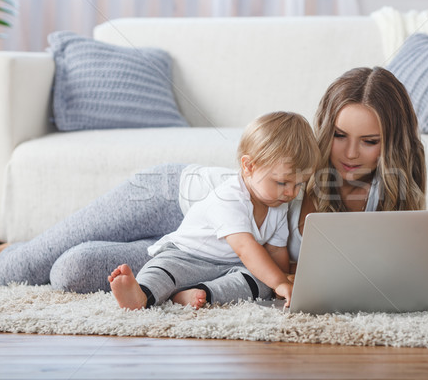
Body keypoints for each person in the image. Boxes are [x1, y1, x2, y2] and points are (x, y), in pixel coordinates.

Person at [0, 67, 426, 306]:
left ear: (393, 144)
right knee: (17, 271)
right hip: (172, 197)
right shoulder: (303, 168)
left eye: (369, 142)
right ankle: (21, 248)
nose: (350, 153)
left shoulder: (385, 198)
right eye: (339, 136)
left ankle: (53, 247)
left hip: (203, 252)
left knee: (72, 271)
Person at [109, 111, 319, 310]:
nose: (291, 192)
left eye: (299, 184)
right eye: (282, 182)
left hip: (229, 267)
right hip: (187, 257)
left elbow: (275, 249)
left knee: (261, 283)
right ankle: (141, 294)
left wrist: (279, 281)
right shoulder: (229, 197)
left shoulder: (279, 204)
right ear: (249, 166)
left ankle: (201, 294)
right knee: (164, 271)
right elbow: (245, 248)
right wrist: (281, 282)